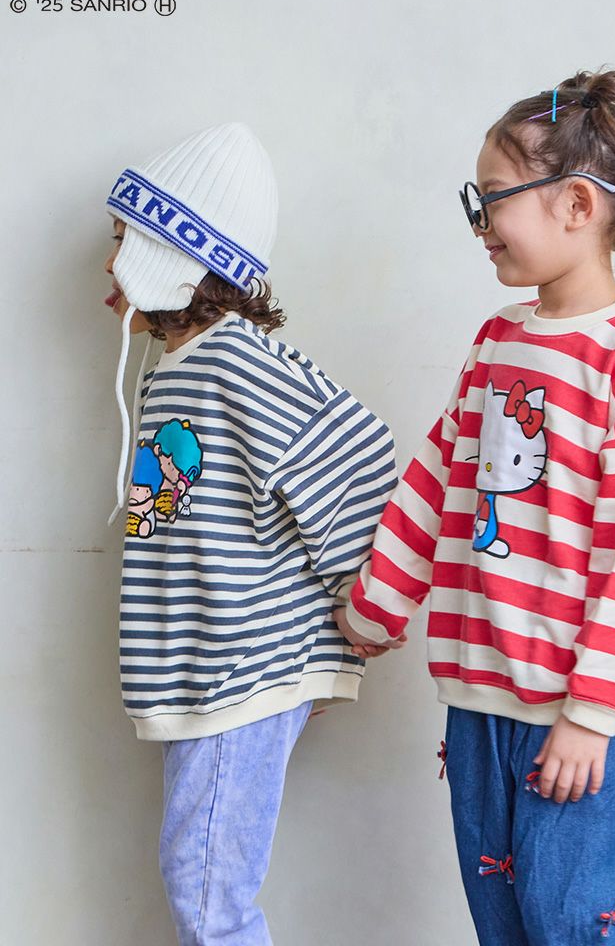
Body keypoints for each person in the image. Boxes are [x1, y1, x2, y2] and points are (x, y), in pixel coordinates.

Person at [335, 70, 615, 945]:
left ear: (576, 205)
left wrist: (592, 712)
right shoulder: (498, 344)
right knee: (509, 926)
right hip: (484, 703)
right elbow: (439, 479)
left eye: (493, 199)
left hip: (587, 722)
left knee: (589, 926)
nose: (481, 223)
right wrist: (376, 604)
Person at [103, 121, 400, 945]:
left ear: (170, 254)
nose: (107, 262)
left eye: (122, 240)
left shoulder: (234, 362)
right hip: (209, 669)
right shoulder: (178, 365)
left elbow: (358, 451)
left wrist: (355, 611)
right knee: (203, 885)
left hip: (238, 669)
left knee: (206, 896)